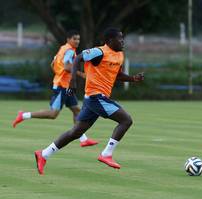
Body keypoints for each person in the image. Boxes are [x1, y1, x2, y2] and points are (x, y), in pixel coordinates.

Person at [34, 27, 144, 175]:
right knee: (126, 120)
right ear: (110, 41)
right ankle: (106, 154)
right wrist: (73, 81)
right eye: (119, 38)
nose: (122, 41)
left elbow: (117, 75)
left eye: (122, 37)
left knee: (75, 132)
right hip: (95, 96)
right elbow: (78, 58)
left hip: (96, 99)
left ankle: (44, 154)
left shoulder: (119, 55)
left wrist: (132, 79)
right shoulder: (99, 52)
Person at [12, 30, 98, 147]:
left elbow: (53, 64)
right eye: (75, 39)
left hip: (65, 85)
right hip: (62, 86)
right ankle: (23, 115)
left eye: (78, 39)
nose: (77, 41)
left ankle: (83, 139)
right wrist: (81, 74)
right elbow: (67, 67)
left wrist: (59, 74)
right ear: (68, 39)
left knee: (76, 110)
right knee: (53, 114)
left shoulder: (63, 48)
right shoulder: (68, 50)